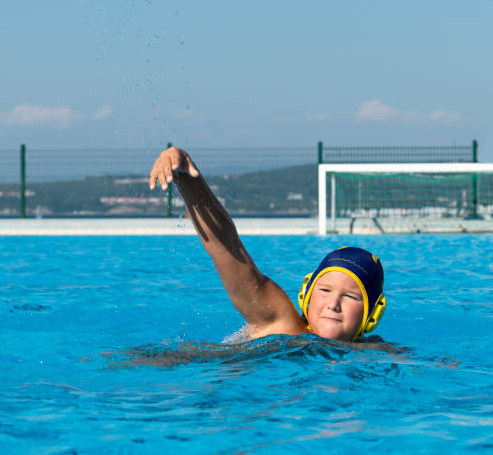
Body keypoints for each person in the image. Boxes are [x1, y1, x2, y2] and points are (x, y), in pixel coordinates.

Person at [149, 147, 386, 343]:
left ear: (373, 315)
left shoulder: (377, 353)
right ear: (306, 294)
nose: (333, 305)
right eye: (324, 291)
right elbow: (227, 246)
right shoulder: (280, 321)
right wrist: (187, 179)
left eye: (350, 297)